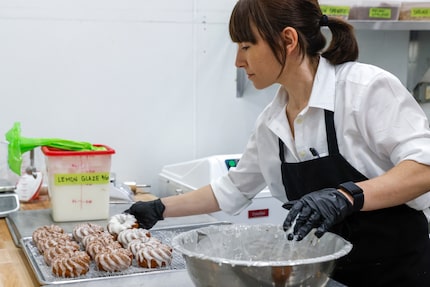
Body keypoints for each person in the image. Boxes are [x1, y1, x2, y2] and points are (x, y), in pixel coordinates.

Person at [126, 0, 430, 286]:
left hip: (397, 273)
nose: (238, 61)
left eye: (246, 46)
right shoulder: (272, 121)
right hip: (324, 276)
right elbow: (232, 189)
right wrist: (158, 208)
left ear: (288, 40)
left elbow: (423, 168)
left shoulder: (364, 89)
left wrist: (346, 196)